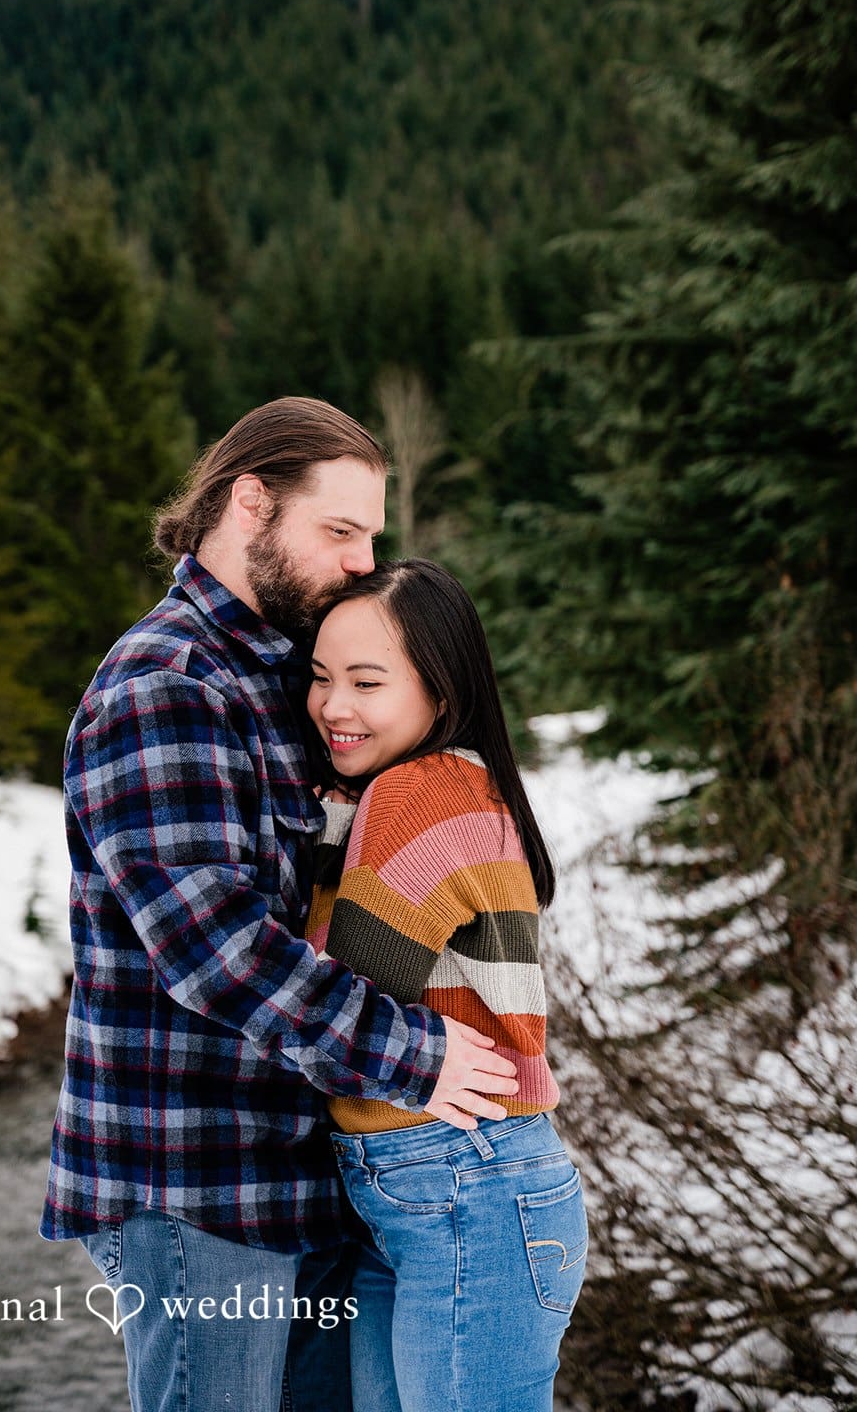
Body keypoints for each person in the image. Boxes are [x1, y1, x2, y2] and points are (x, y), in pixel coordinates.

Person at [39, 398, 519, 1412]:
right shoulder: (163, 683)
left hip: (306, 1174)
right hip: (194, 1181)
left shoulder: (286, 675)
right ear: (248, 502)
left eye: (373, 536)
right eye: (339, 530)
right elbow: (215, 945)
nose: (361, 560)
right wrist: (415, 1056)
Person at [305, 558, 587, 1412]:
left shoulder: (417, 795)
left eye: (366, 682)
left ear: (441, 688)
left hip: (461, 1177)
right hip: (434, 1184)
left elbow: (337, 1007)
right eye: (319, 679)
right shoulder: (444, 786)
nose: (332, 707)